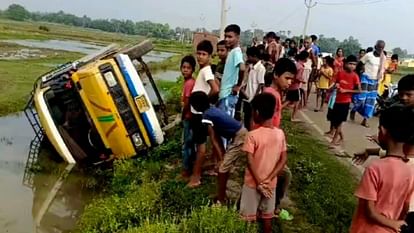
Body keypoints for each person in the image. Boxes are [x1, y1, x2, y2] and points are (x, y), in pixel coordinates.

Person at [349, 105, 414, 233]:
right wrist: (395, 224)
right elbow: (406, 208)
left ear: (383, 131)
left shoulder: (375, 168)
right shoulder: (409, 171)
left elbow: (370, 211)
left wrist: (391, 223)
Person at [239, 93, 287, 233]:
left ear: (257, 112)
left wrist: (260, 182)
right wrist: (268, 179)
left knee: (247, 218)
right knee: (267, 217)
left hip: (252, 184)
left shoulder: (252, 135)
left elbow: (249, 161)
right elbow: (283, 160)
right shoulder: (280, 134)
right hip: (270, 185)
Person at [189, 91, 248, 202]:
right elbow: (217, 138)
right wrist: (222, 156)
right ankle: (221, 196)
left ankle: (221, 200)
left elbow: (214, 138)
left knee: (222, 169)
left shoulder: (206, 115)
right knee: (224, 166)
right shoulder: (211, 109)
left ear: (196, 105)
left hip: (240, 137)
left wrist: (221, 159)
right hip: (240, 133)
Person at [353, 75, 414, 163]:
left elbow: (405, 155)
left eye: (408, 94)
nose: (404, 98)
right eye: (401, 94)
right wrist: (370, 151)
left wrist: (385, 140)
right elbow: (399, 152)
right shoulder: (403, 112)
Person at [188, 40, 220, 186]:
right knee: (200, 145)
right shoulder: (204, 70)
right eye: (198, 54)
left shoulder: (206, 70)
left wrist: (203, 103)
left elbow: (215, 89)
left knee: (201, 147)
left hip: (199, 113)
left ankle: (196, 177)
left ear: (210, 56)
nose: (200, 57)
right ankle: (197, 172)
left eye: (204, 54)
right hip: (197, 113)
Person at [325, 55, 361, 146]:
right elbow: (335, 82)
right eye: (350, 64)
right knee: (334, 121)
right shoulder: (340, 73)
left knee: (339, 122)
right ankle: (341, 137)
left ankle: (334, 140)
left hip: (345, 101)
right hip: (336, 100)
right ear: (345, 64)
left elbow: (359, 90)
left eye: (354, 64)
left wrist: (346, 91)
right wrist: (331, 88)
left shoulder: (355, 76)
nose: (352, 66)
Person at [357, 40, 387, 128]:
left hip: (375, 81)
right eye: (379, 47)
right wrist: (359, 74)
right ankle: (355, 110)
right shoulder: (368, 55)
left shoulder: (383, 57)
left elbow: (382, 69)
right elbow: (360, 64)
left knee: (370, 101)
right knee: (361, 99)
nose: (380, 49)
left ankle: (365, 119)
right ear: (375, 46)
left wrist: (380, 78)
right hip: (365, 78)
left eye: (382, 47)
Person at [219, 24, 245, 118]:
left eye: (230, 37)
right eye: (225, 36)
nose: (226, 39)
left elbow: (242, 68)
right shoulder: (232, 52)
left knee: (225, 124)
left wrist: (238, 85)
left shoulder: (236, 52)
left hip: (228, 94)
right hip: (225, 94)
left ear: (237, 37)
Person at [242, 46, 266, 130]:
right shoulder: (251, 67)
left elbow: (261, 84)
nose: (248, 58)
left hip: (253, 97)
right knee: (246, 115)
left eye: (249, 56)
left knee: (251, 117)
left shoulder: (261, 68)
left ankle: (251, 132)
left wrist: (255, 97)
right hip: (247, 95)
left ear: (254, 56)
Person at [180, 55, 196, 178]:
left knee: (186, 144)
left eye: (188, 68)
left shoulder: (189, 83)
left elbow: (187, 103)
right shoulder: (189, 81)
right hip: (191, 117)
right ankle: (190, 166)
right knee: (190, 143)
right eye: (184, 67)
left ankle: (186, 170)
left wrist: (182, 115)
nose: (185, 70)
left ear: (193, 70)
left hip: (188, 117)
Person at [285, 51, 308, 122]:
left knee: (288, 100)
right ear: (305, 58)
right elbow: (297, 77)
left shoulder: (296, 64)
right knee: (297, 101)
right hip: (295, 86)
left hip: (291, 84)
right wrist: (302, 81)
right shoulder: (301, 67)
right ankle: (293, 117)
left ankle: (279, 110)